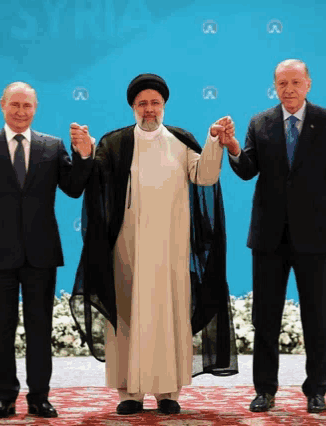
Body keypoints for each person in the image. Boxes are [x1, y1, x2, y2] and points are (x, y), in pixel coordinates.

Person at [70, 73, 238, 416]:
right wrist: (85, 154)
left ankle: (167, 391)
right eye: (142, 104)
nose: (149, 110)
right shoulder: (115, 143)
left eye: (155, 103)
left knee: (168, 318)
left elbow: (205, 176)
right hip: (126, 249)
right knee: (128, 317)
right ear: (133, 107)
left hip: (171, 250)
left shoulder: (181, 140)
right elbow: (95, 182)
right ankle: (127, 392)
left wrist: (213, 141)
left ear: (164, 106)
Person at [0, 81, 94, 419]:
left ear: (35, 109)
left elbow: (74, 188)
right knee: (1, 328)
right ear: (2, 105)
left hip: (41, 253)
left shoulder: (53, 146)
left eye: (28, 106)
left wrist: (84, 155)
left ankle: (39, 397)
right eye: (15, 105)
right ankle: (4, 397)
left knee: (40, 328)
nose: (21, 112)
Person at [225, 59, 326, 414]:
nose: (289, 89)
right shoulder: (259, 123)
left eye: (295, 82)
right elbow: (247, 170)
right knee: (265, 318)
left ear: (308, 84)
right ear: (274, 87)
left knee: (316, 317)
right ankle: (265, 389)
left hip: (315, 235)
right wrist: (233, 146)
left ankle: (316, 390)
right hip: (268, 237)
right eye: (282, 83)